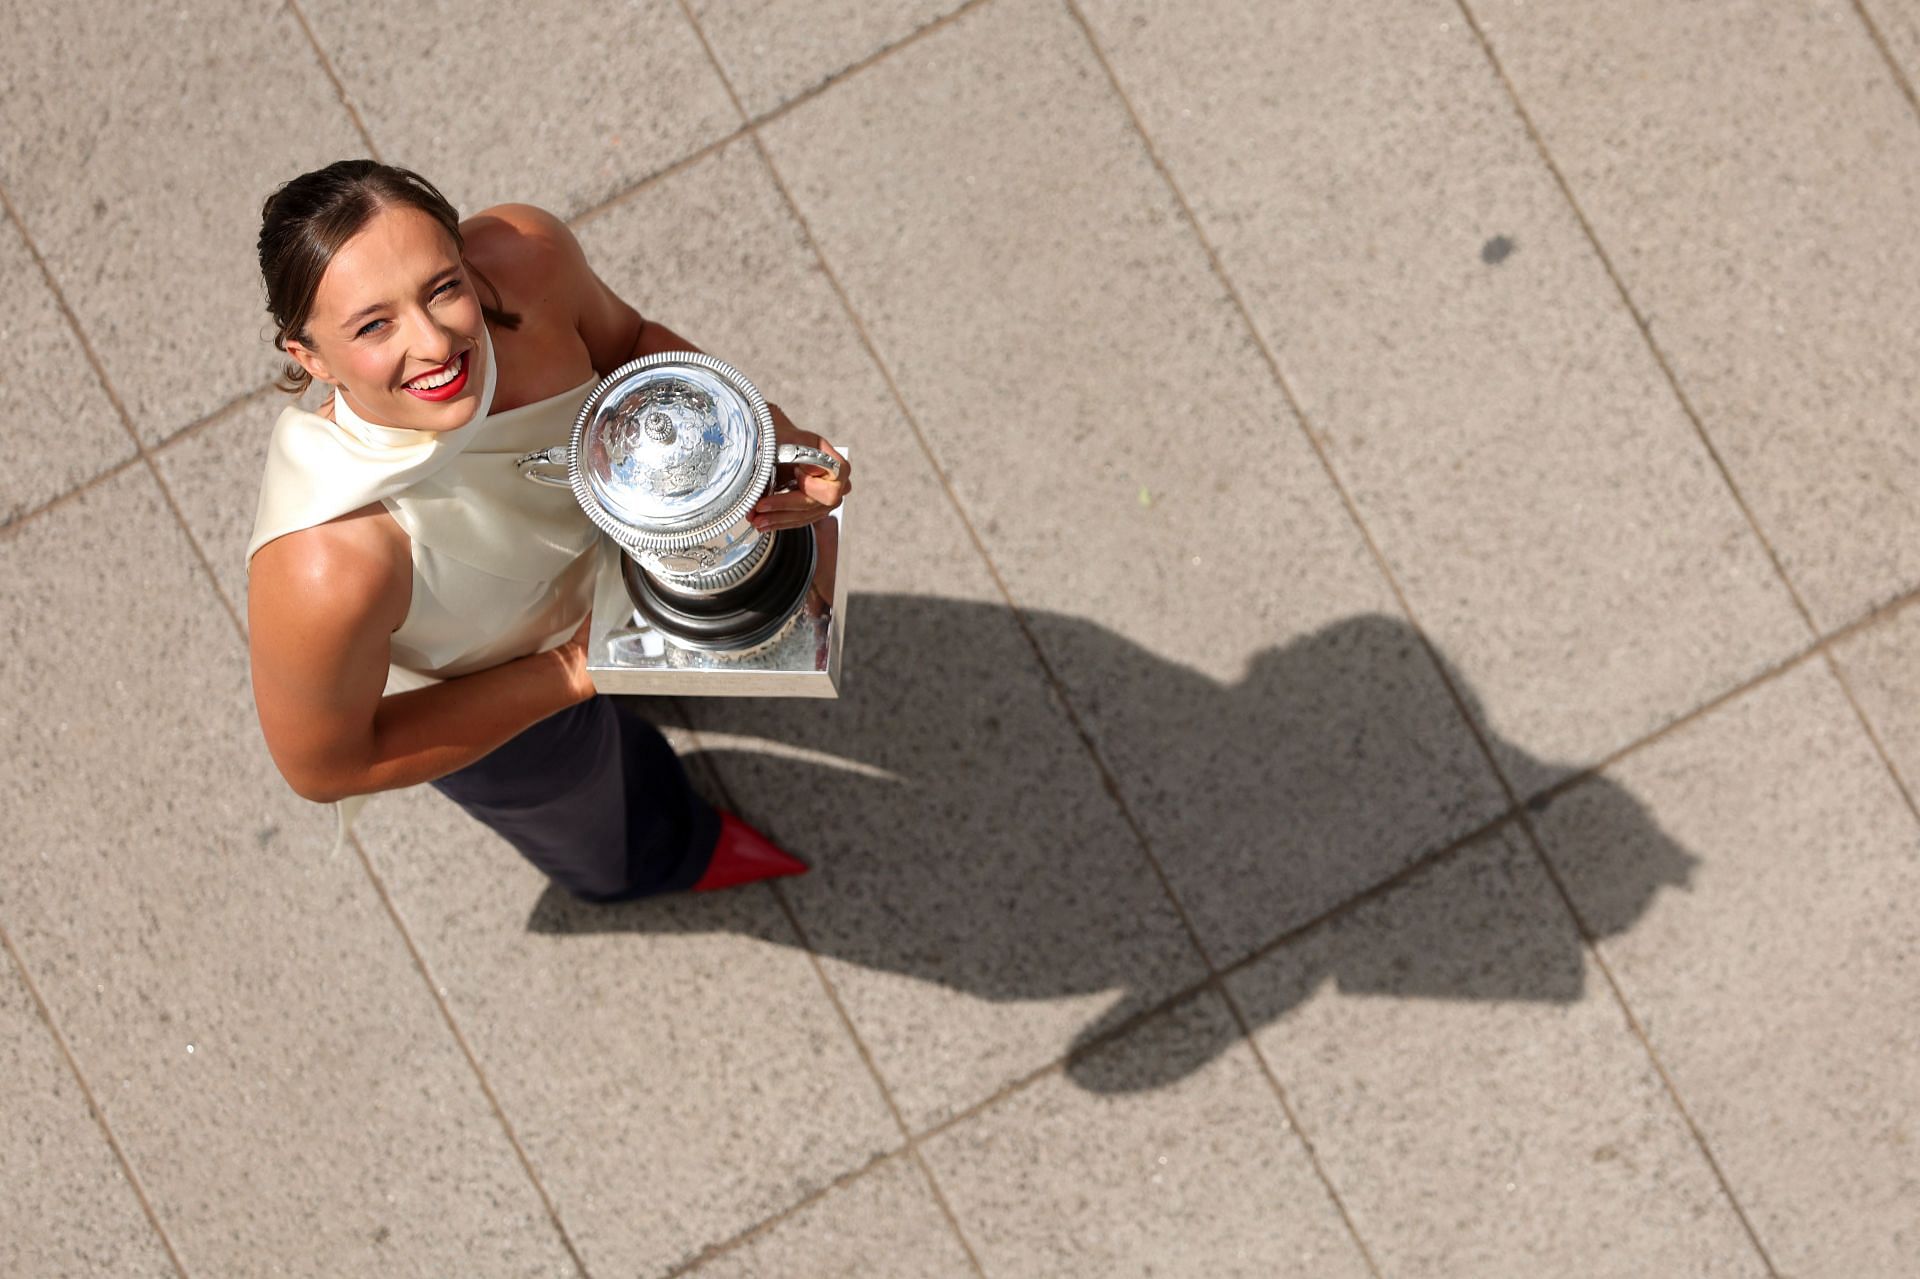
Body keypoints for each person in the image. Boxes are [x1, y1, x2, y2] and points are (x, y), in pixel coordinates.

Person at [246, 159, 849, 901]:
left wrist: (766, 444)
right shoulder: (326, 566)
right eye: (374, 325)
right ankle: (666, 856)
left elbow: (630, 342)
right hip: (490, 696)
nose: (435, 344)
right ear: (309, 357)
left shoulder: (528, 257)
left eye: (444, 287)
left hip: (629, 563)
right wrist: (574, 670)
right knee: (592, 815)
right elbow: (326, 766)